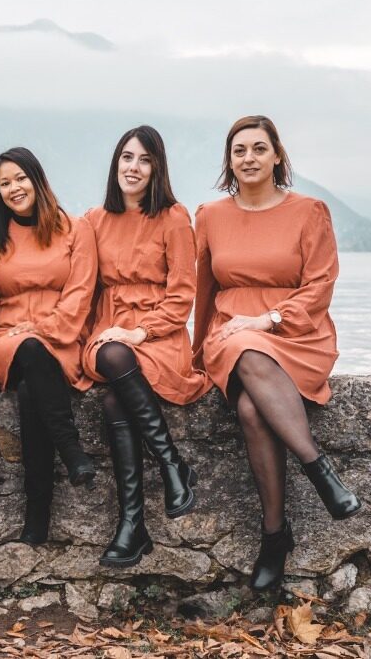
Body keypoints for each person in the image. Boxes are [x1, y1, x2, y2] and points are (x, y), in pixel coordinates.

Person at [194, 115, 361, 591]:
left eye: (259, 148)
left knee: (251, 408)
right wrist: (195, 354)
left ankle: (274, 535)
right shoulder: (209, 216)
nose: (249, 157)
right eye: (239, 150)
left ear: (277, 157)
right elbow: (204, 290)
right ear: (229, 160)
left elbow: (321, 282)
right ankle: (319, 470)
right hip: (230, 333)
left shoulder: (310, 211)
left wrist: (269, 319)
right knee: (241, 344)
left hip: (296, 333)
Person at [83, 126, 211, 567]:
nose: (133, 168)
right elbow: (80, 286)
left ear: (157, 167)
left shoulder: (174, 218)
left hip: (159, 335)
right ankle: (171, 463)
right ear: (115, 163)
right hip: (108, 330)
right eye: (126, 158)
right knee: (109, 352)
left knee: (116, 402)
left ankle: (132, 525)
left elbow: (182, 294)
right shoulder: (94, 220)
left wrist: (141, 331)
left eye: (143, 160)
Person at [0, 147, 97, 545]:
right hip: (7, 341)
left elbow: (80, 294)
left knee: (32, 390)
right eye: (4, 183)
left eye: (20, 178)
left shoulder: (74, 228)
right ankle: (71, 448)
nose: (14, 188)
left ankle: (37, 512)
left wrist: (44, 327)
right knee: (26, 349)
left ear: (37, 179)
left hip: (61, 339)